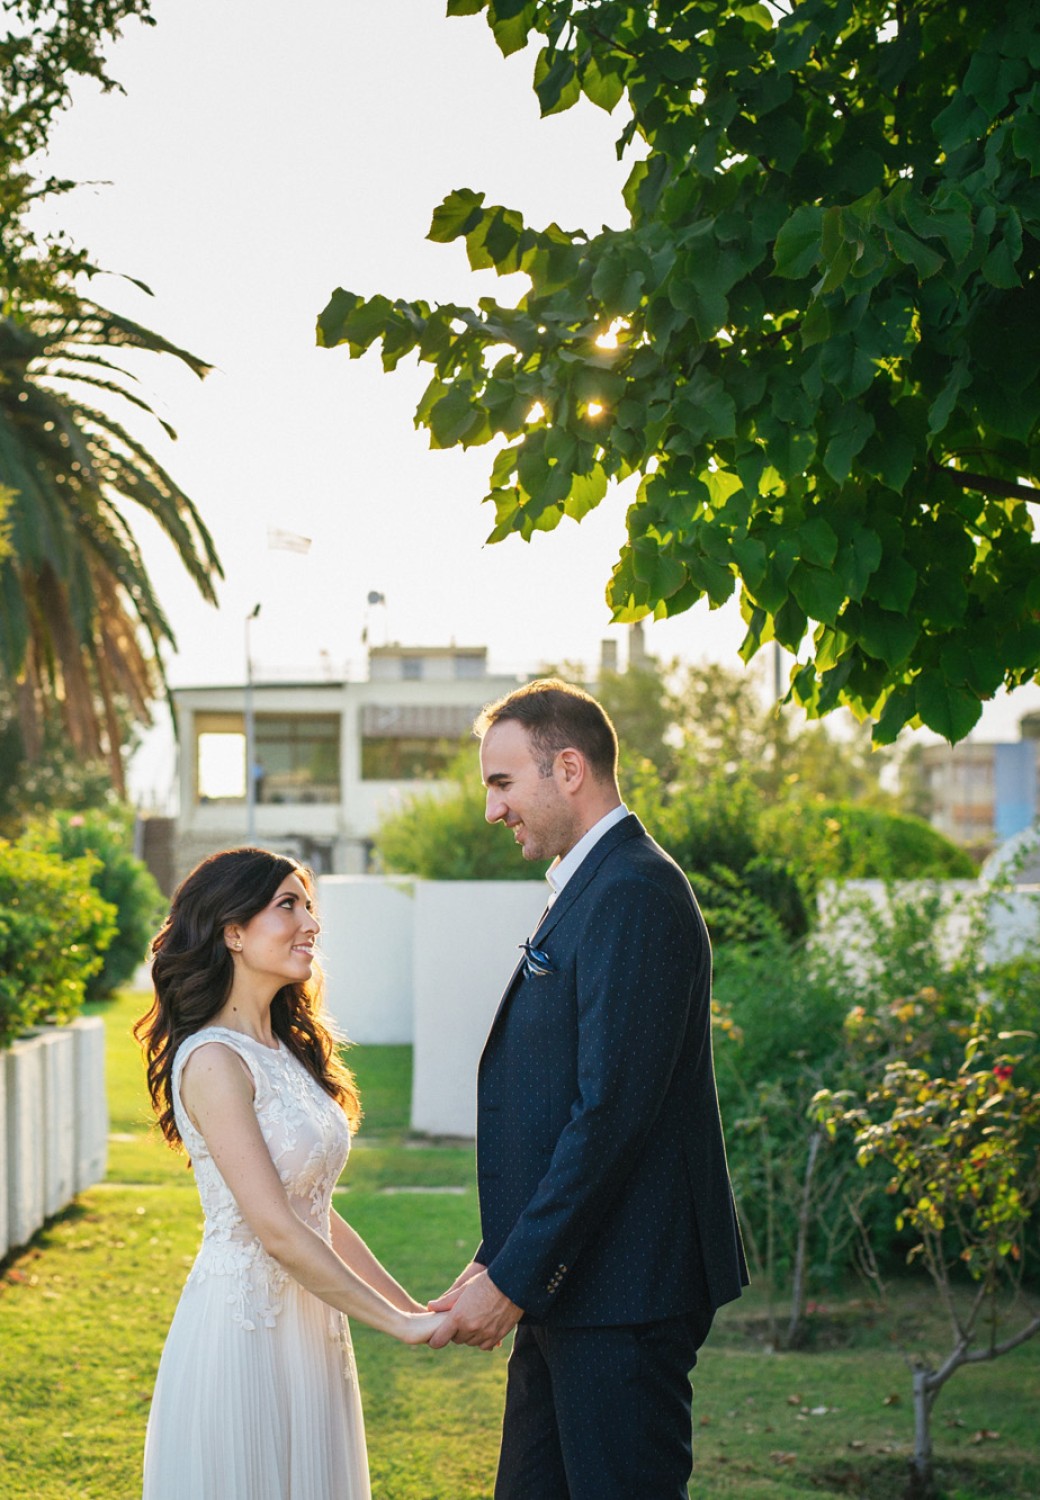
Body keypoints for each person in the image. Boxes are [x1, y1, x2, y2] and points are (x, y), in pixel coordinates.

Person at [429, 679, 748, 1499]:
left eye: (503, 783)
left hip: (624, 1298)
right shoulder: (593, 883)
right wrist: (497, 1259)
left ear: (568, 768)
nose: (493, 809)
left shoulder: (634, 892)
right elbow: (560, 1095)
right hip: (571, 1285)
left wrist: (513, 1280)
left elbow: (610, 1115)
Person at [135, 847, 444, 1500]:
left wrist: (411, 1308)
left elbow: (315, 1212)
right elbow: (274, 1228)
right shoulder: (213, 1061)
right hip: (242, 1333)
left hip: (312, 1329)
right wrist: (398, 1327)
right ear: (233, 931)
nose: (311, 922)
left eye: (308, 905)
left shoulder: (285, 1051)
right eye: (288, 905)